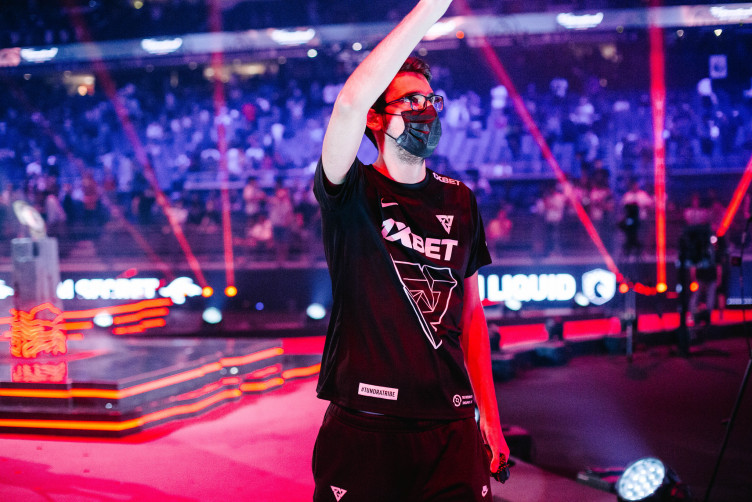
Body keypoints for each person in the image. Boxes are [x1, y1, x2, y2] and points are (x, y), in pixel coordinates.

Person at [312, 1, 509, 500]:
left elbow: (471, 314)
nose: (425, 110)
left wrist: (489, 415)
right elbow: (348, 105)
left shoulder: (460, 199)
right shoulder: (350, 190)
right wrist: (430, 9)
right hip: (366, 426)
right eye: (409, 101)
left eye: (430, 99)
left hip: (451, 426)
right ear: (376, 119)